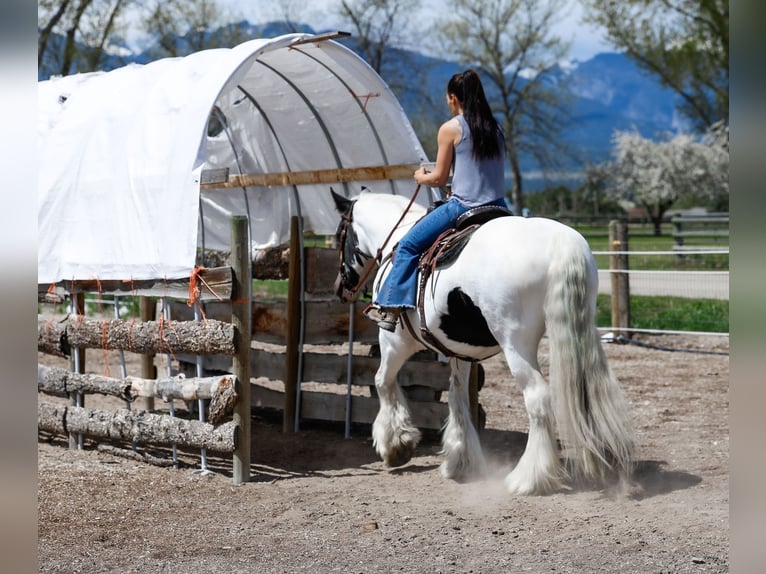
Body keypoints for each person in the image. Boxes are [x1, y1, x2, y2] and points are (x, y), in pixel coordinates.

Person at [365, 69, 508, 331]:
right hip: (499, 207)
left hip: (464, 206)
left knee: (407, 245)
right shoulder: (495, 127)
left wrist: (421, 177)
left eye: (447, 98)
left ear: (453, 98)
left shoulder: (451, 129)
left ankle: (390, 308)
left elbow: (439, 178)